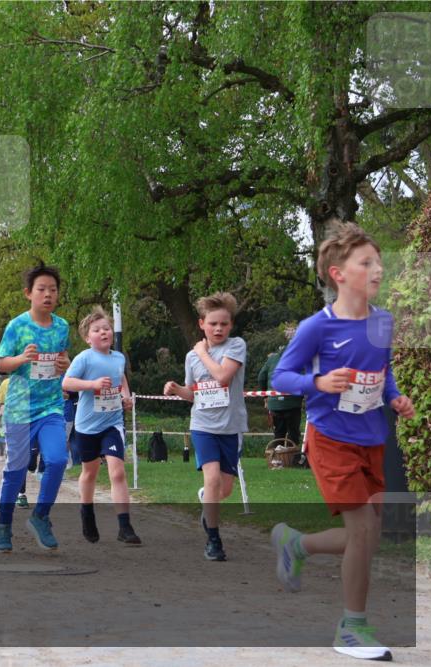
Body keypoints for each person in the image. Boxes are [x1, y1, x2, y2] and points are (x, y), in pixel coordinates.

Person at [271, 222, 414, 662]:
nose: (377, 270)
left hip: (371, 438)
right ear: (338, 273)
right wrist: (319, 382)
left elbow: (383, 371)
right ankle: (352, 628)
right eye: (366, 262)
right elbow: (281, 377)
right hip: (331, 439)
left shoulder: (383, 322)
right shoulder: (318, 327)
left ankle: (297, 544)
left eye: (378, 262)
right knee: (366, 529)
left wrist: (394, 397)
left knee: (366, 539)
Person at [163, 292, 247, 562]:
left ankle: (206, 498)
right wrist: (177, 389)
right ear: (202, 324)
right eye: (213, 324)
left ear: (231, 325)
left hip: (230, 427)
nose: (218, 328)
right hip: (203, 426)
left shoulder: (236, 346)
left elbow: (223, 377)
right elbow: (194, 393)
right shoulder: (191, 358)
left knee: (224, 490)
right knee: (211, 480)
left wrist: (202, 351)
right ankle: (213, 540)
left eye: (223, 323)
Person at [0, 262, 71, 552]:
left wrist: (65, 363)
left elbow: (63, 359)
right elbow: (1, 363)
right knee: (16, 469)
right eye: (42, 289)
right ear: (29, 293)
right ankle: (3, 524)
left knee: (57, 459)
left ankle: (41, 516)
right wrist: (21, 359)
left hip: (50, 405)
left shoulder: (62, 326)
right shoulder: (17, 326)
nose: (48, 294)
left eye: (53, 289)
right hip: (20, 407)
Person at [62, 306, 140, 544]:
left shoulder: (119, 357)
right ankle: (87, 513)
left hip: (112, 423)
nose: (104, 332)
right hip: (87, 426)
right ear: (88, 338)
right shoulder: (84, 358)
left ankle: (125, 526)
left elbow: (121, 377)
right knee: (90, 472)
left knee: (117, 471)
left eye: (106, 328)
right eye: (97, 330)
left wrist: (126, 397)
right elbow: (67, 383)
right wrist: (92, 384)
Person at [258, 323, 305, 454]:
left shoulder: (272, 358)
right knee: (293, 433)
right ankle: (292, 458)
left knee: (278, 433)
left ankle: (275, 458)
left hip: (274, 403)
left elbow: (261, 377)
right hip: (292, 402)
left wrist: (266, 396)